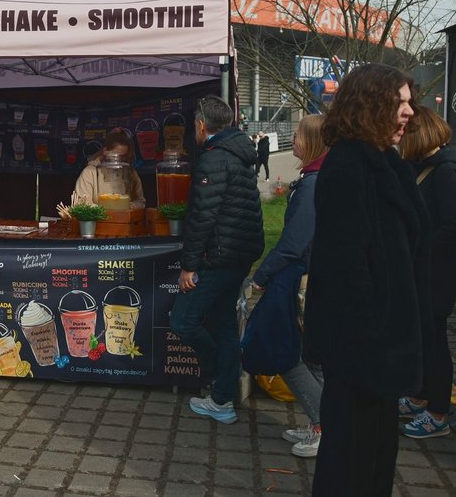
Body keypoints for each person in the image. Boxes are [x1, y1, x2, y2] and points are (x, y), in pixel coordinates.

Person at [304, 64, 430, 496]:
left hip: (382, 343)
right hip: (361, 345)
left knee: (373, 452)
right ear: (371, 105)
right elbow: (344, 267)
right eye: (401, 102)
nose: (410, 111)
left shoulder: (383, 160)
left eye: (410, 101)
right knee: (350, 456)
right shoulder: (348, 165)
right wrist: (369, 340)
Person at [171, 94, 264, 424]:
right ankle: (223, 397)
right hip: (238, 254)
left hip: (219, 256)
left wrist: (189, 265)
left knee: (183, 321)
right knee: (223, 322)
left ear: (200, 125)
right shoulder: (238, 152)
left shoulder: (214, 158)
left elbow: (203, 217)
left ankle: (220, 381)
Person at [249, 114, 327, 457]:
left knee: (288, 355)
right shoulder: (312, 179)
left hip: (299, 278)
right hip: (304, 276)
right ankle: (320, 423)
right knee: (307, 355)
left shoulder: (312, 184)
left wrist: (262, 275)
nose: (292, 139)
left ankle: (325, 424)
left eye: (297, 135)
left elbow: (294, 243)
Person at [397, 106, 456, 439]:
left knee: (434, 341)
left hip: (437, 274)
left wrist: (416, 247)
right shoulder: (429, 167)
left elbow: (454, 228)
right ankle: (421, 395)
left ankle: (438, 412)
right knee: (424, 339)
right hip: (425, 271)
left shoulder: (446, 172)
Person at [73, 129, 146, 209]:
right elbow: (81, 204)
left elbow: (140, 202)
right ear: (105, 151)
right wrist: (106, 210)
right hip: (99, 221)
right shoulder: (90, 173)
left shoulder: (131, 173)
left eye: (123, 156)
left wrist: (127, 206)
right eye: (116, 155)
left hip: (124, 219)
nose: (118, 159)